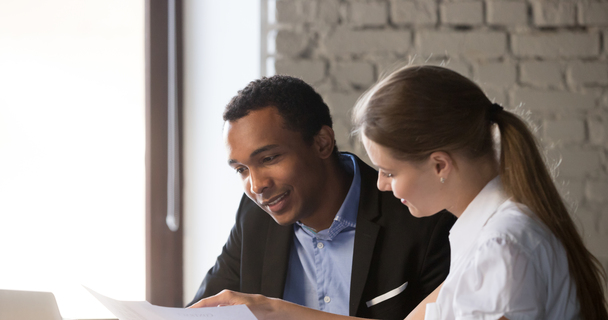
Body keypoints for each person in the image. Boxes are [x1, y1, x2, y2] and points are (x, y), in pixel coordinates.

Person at [190, 66, 608, 320]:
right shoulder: (486, 236)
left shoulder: (499, 247)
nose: (381, 183)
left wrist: (275, 312)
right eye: (242, 169)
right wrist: (273, 310)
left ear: (439, 165)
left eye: (389, 171)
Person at [188, 75, 456, 319]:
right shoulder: (253, 215)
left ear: (322, 143)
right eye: (241, 170)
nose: (256, 185)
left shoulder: (421, 220)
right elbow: (201, 311)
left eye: (269, 158)